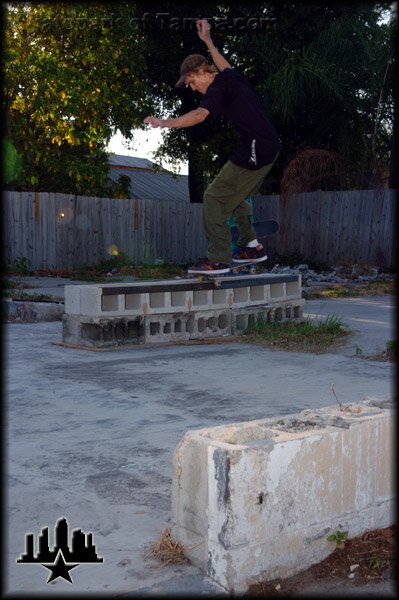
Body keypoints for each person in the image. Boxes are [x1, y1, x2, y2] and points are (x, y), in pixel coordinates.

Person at [144, 18, 281, 275]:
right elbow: (221, 61)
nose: (194, 89)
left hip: (255, 148)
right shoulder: (229, 76)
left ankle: (218, 259)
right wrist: (207, 40)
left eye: (192, 83)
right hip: (266, 147)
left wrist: (163, 122)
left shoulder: (217, 90)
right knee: (236, 197)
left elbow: (199, 115)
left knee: (213, 197)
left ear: (199, 73)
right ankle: (251, 246)